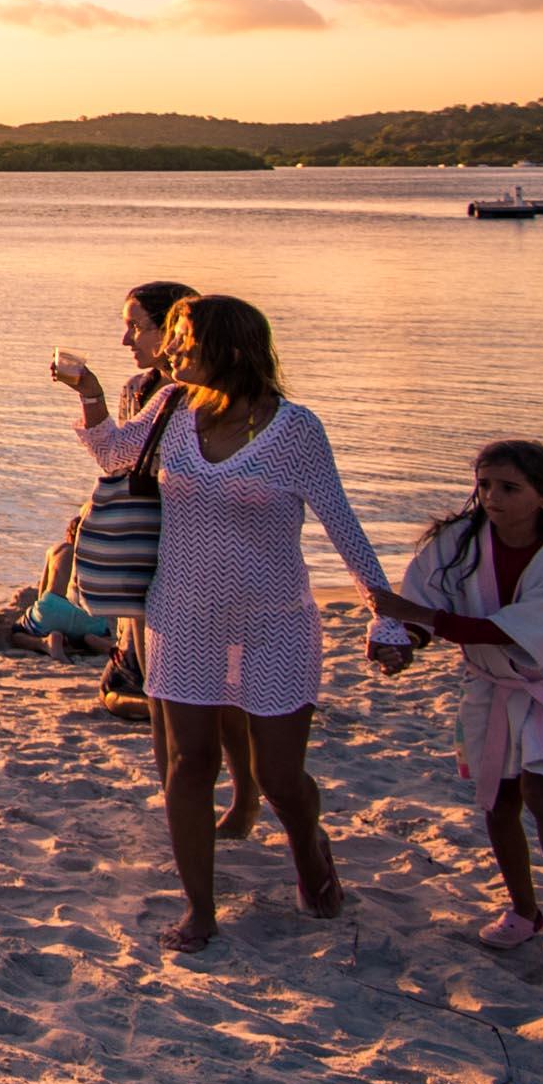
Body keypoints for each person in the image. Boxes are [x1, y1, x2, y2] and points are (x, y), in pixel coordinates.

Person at [134, 293, 399, 954]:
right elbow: (112, 454)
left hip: (274, 618)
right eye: (168, 338)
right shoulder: (168, 411)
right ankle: (200, 908)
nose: (170, 349)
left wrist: (386, 613)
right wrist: (85, 392)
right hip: (183, 613)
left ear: (226, 347)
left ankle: (310, 847)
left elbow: (341, 522)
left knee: (279, 776)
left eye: (182, 339)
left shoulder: (295, 429)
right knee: (190, 764)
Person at [48, 279, 260, 835]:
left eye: (138, 325)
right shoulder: (149, 391)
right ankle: (183, 808)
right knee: (162, 691)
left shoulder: (233, 404)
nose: (128, 338)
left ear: (177, 328)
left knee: (226, 694)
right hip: (151, 559)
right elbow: (122, 462)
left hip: (205, 562)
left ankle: (243, 798)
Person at [374, 439, 543, 954]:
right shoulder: (457, 541)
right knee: (498, 800)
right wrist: (404, 644)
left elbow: (507, 631)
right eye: (484, 485)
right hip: (486, 688)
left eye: (508, 488)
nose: (491, 497)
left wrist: (425, 619)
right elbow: (422, 602)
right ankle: (523, 909)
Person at [3, 513, 114, 655]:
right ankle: (93, 639)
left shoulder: (57, 549)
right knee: (103, 634)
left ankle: (44, 643)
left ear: (69, 534)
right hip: (88, 613)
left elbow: (42, 593)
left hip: (54, 605)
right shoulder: (101, 556)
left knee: (17, 633)